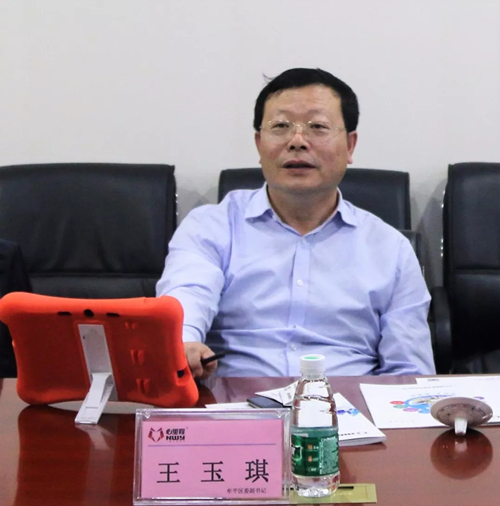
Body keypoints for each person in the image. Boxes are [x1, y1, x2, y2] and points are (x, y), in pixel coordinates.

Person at [156, 68, 436, 379]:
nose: (297, 141)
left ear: (350, 145)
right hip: (234, 402)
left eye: (318, 127)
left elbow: (410, 373)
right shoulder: (210, 227)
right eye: (281, 126)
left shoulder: (390, 249)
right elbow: (187, 295)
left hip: (349, 404)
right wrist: (183, 343)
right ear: (259, 143)